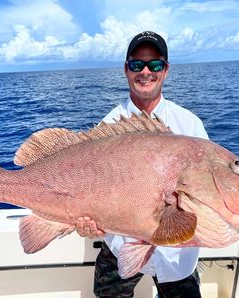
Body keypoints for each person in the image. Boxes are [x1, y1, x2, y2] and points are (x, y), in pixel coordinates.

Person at [76, 31, 208, 298]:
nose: (145, 71)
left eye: (155, 64)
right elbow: (89, 189)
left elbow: (207, 190)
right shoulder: (109, 126)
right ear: (126, 70)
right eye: (137, 64)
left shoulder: (190, 124)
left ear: (166, 70)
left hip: (177, 254)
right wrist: (85, 221)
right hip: (120, 244)